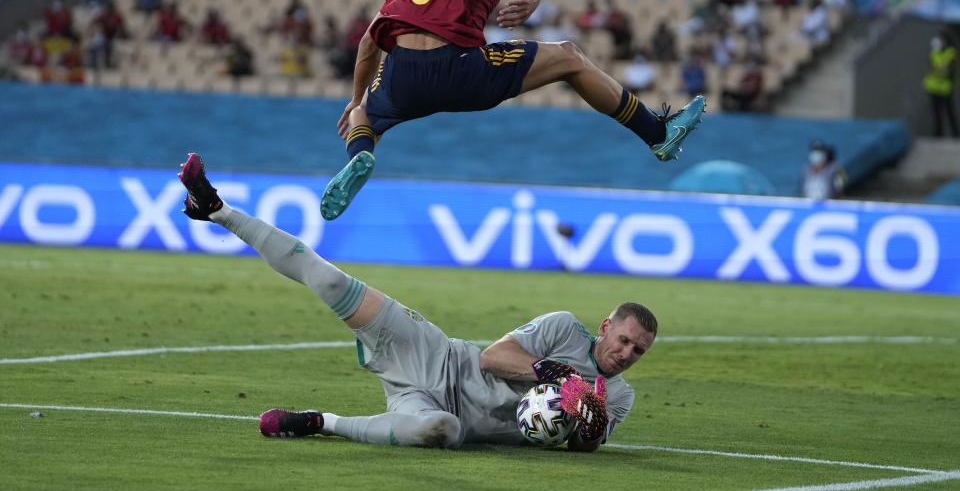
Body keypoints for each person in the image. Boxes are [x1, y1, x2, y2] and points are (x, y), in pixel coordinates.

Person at [178, 153, 658, 450]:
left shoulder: (617, 397)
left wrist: (587, 424)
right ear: (604, 327)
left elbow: (585, 451)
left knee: (440, 433)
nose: (626, 355)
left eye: (638, 351)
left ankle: (321, 422)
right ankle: (218, 209)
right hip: (437, 356)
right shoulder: (563, 329)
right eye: (624, 341)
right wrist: (549, 372)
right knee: (332, 282)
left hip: (446, 414)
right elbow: (493, 359)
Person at [321, 0, 705, 221]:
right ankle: (657, 134)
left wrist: (356, 101)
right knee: (570, 56)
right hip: (458, 68)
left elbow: (370, 40)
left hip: (402, 74)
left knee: (364, 113)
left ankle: (359, 155)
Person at [924, 35, 959, 138]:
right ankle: (938, 134)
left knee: (950, 113)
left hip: (945, 88)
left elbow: (948, 71)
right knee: (936, 114)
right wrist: (940, 69)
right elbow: (931, 67)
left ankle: (955, 134)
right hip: (933, 88)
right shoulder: (934, 53)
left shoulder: (951, 53)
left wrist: (940, 69)